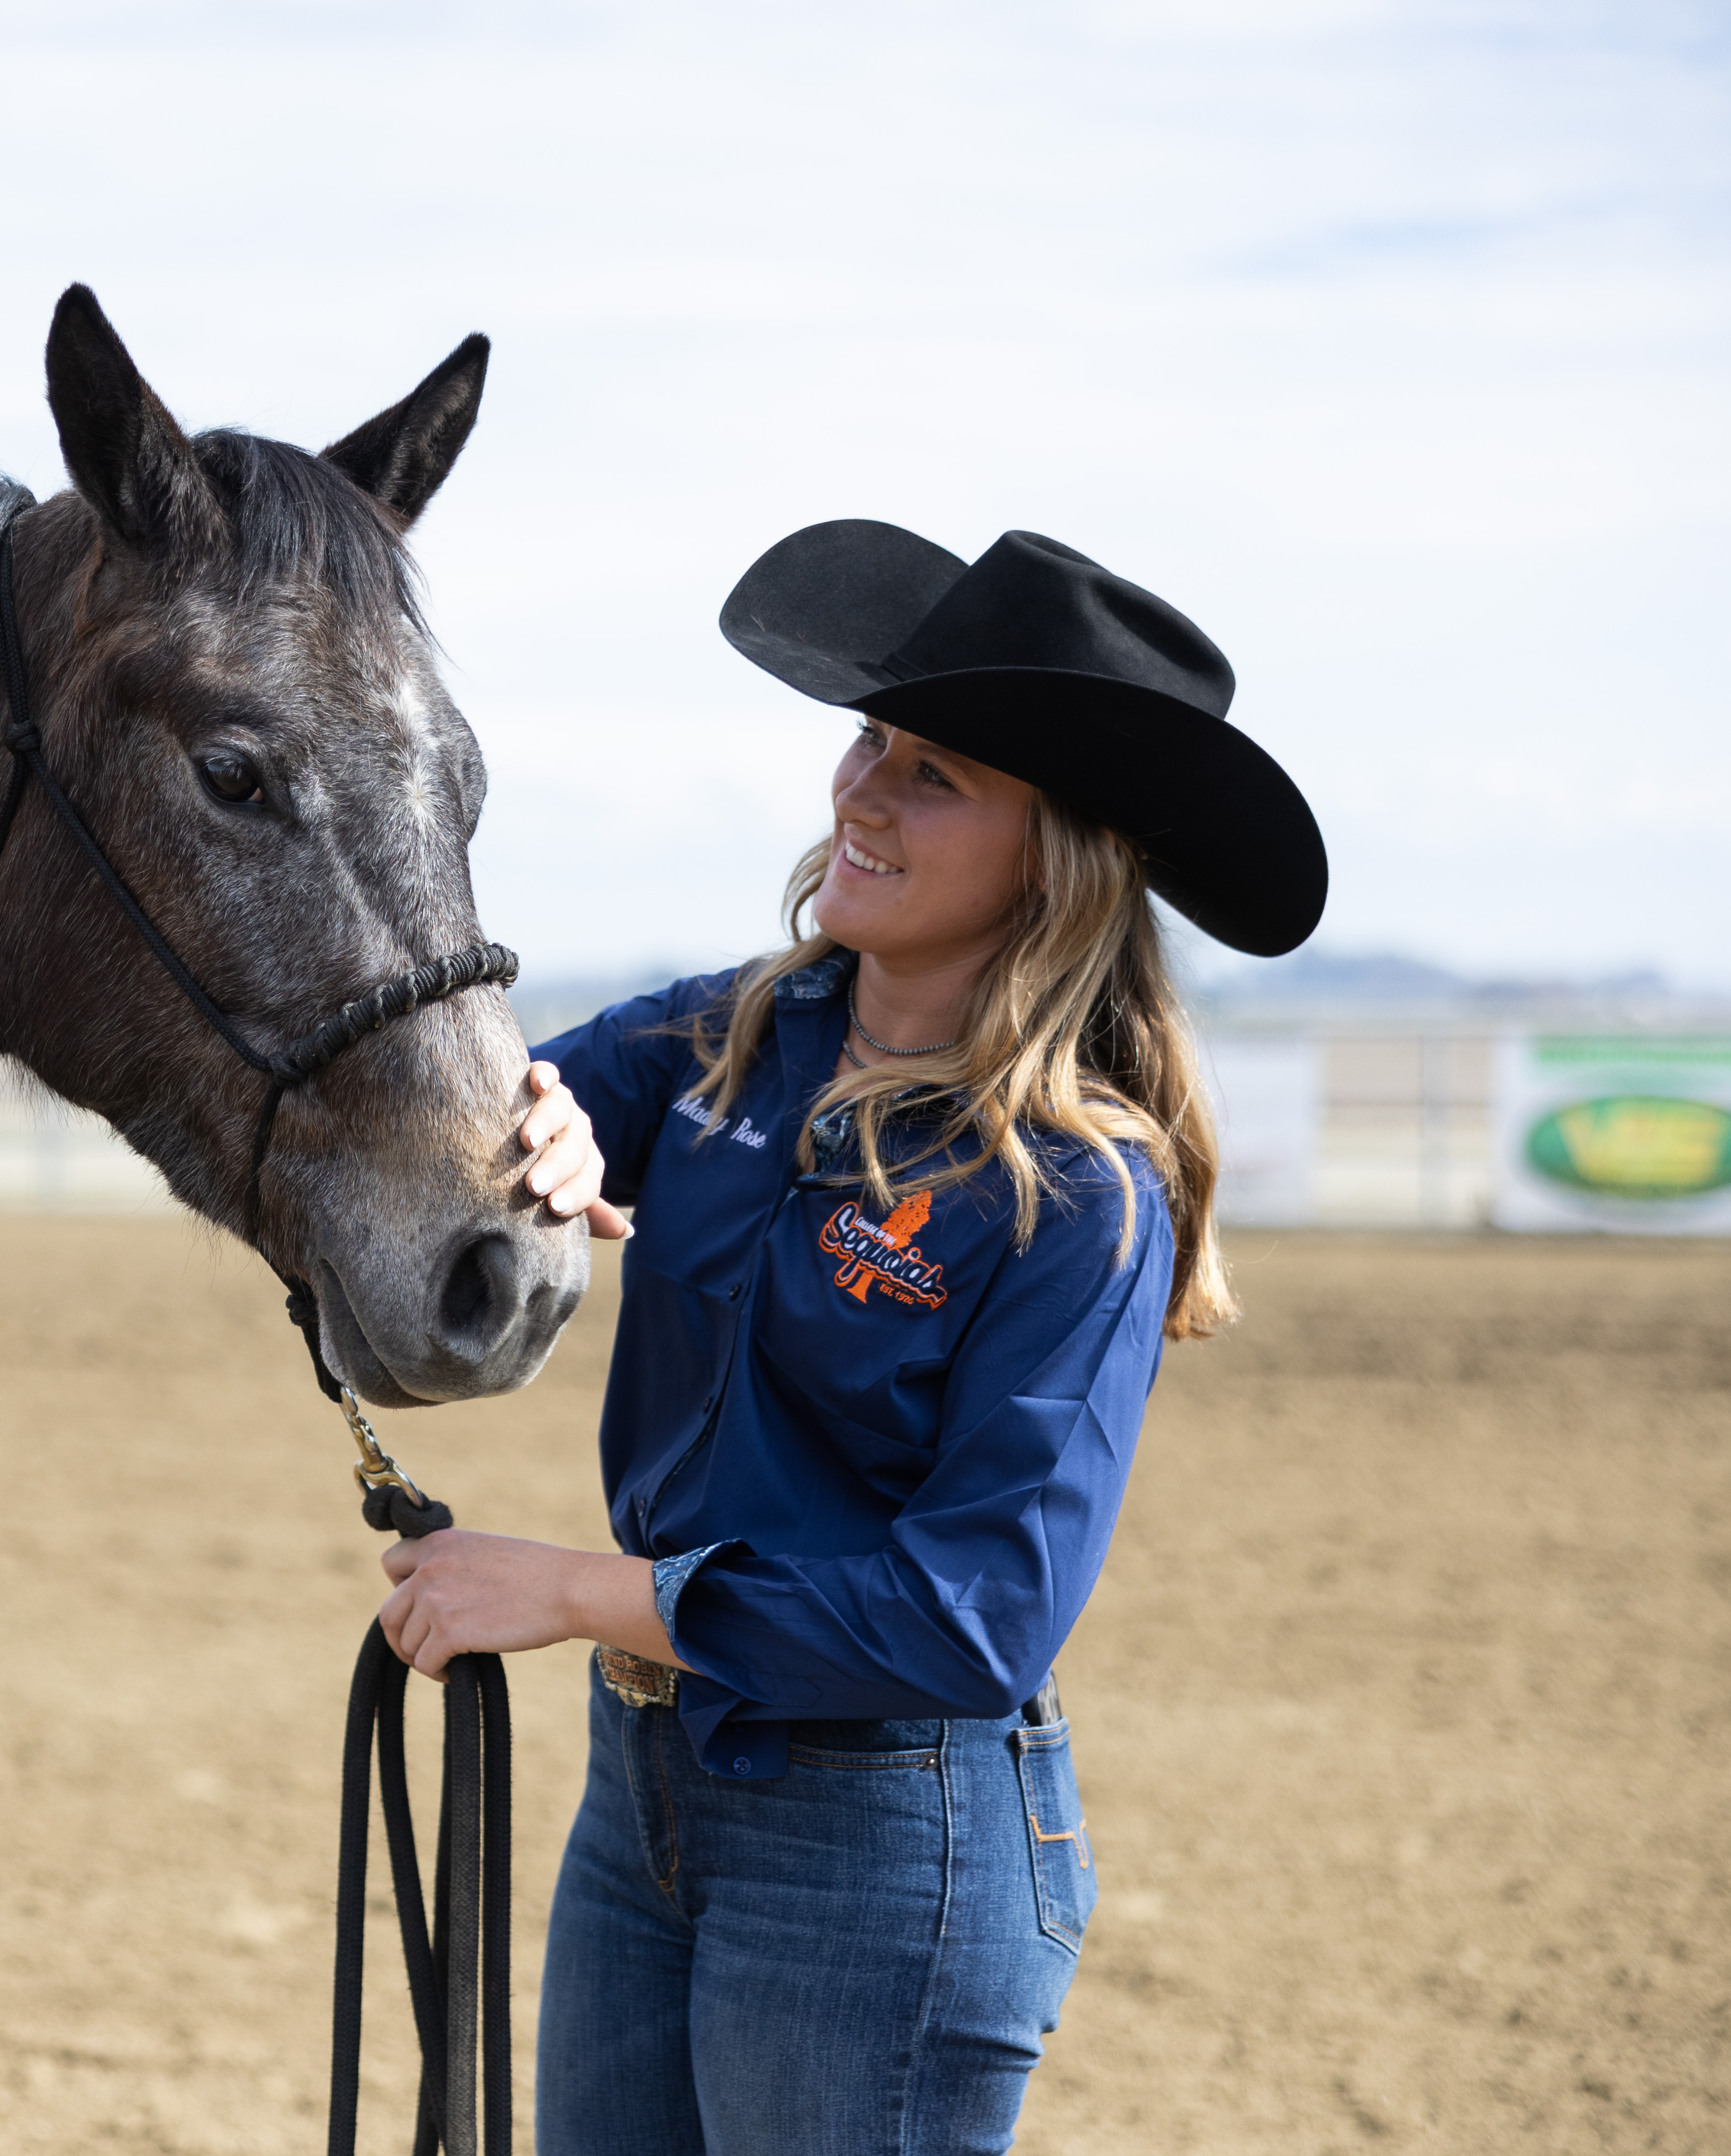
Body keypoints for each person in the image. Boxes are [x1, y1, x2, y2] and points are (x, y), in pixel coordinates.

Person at [386, 521, 1326, 2153]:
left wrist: (563, 1591)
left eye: (937, 774)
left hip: (890, 1829)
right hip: (649, 1790)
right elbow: (473, 1122)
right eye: (872, 741)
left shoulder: (1077, 1193)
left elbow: (974, 1620)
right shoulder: (719, 1034)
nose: (861, 795)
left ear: (1063, 854)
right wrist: (550, 1126)